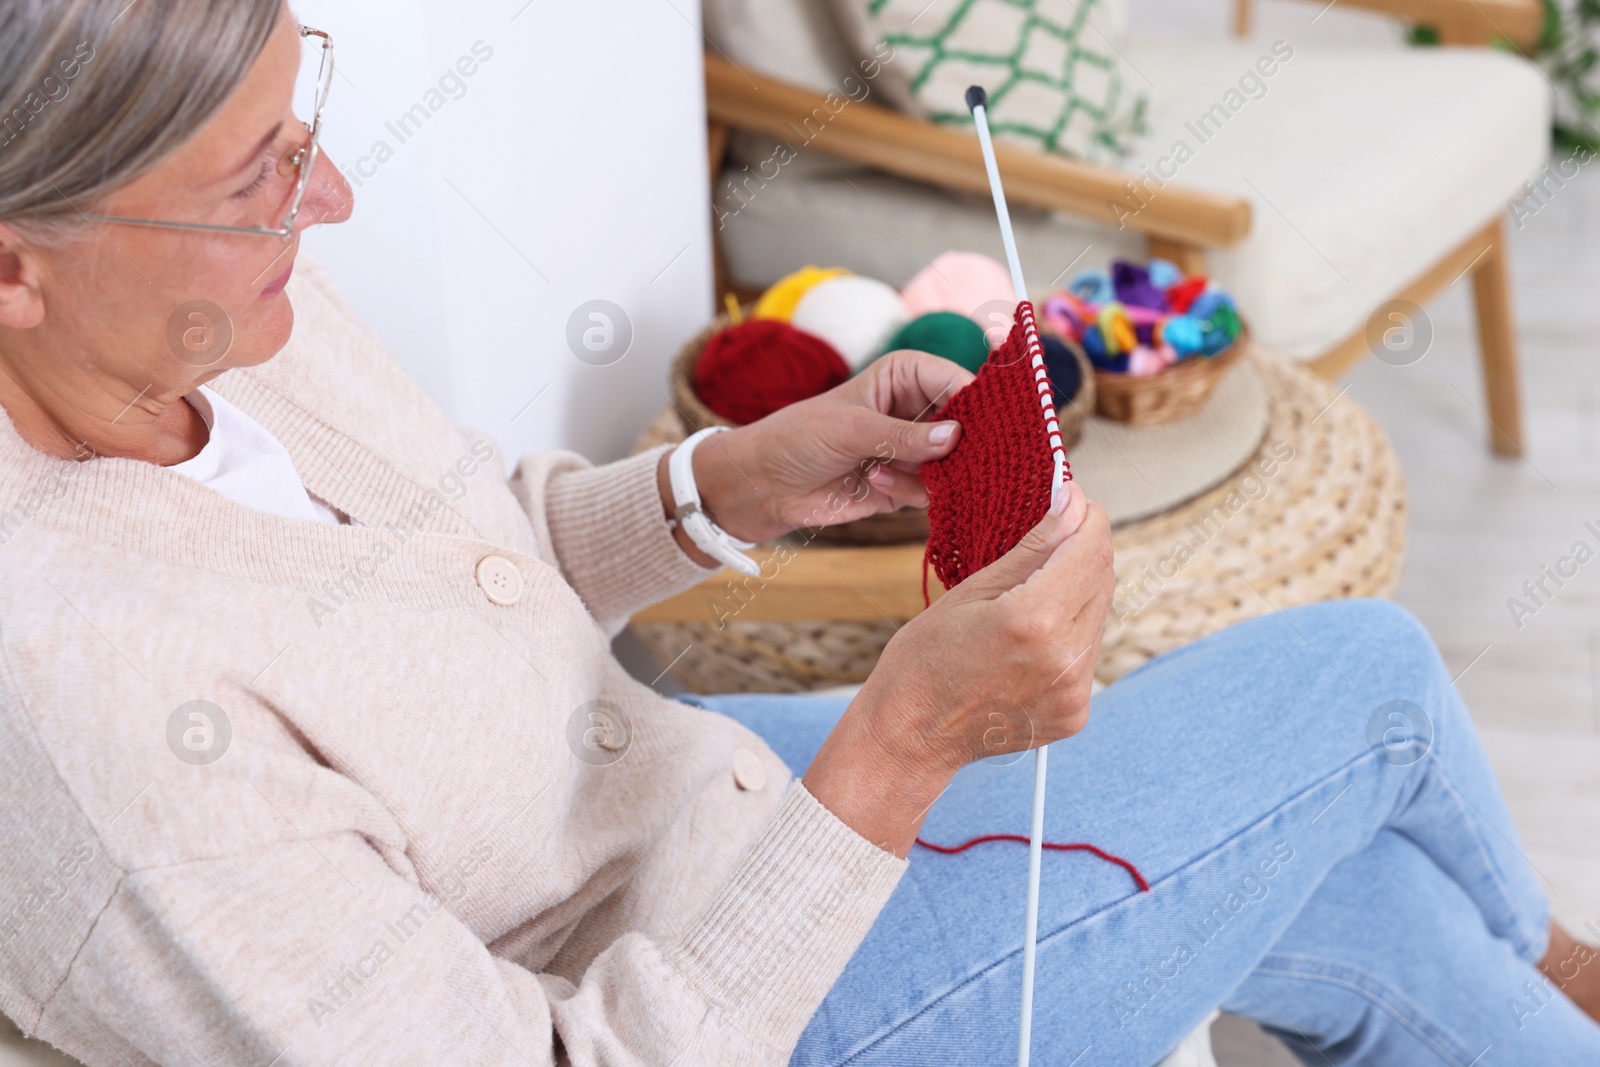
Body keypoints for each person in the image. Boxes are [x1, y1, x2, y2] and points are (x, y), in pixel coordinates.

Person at [0, 3, 1595, 1064]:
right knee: (1363, 686)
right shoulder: (91, 704)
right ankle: (1552, 969)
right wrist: (900, 748)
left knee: (1358, 893)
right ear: (18, 266)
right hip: (733, 1013)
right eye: (258, 176)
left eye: (304, 126)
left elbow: (469, 543)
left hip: (692, 801)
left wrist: (726, 486)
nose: (330, 196)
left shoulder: (195, 311)